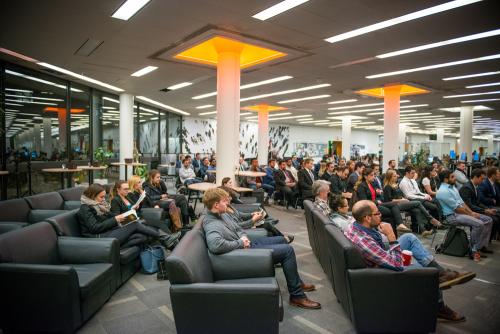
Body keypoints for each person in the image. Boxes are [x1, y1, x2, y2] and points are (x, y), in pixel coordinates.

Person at [344, 200, 475, 322]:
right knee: (429, 272)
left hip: (379, 255)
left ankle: (442, 274)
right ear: (367, 218)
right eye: (377, 213)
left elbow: (378, 247)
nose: (381, 214)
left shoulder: (356, 225)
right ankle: (439, 306)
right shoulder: (363, 241)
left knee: (409, 237)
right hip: (380, 273)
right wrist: (391, 236)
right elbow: (396, 264)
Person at [201, 188, 321, 309]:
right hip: (242, 254)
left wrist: (243, 237)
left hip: (246, 245)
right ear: (216, 205)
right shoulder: (212, 223)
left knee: (281, 240)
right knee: (287, 251)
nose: (227, 203)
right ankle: (297, 296)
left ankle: (297, 284)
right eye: (224, 201)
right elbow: (215, 245)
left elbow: (237, 228)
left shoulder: (222, 214)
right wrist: (240, 243)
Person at [77, 183, 179, 250]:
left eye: (104, 196)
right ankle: (166, 238)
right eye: (101, 197)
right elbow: (94, 228)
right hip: (98, 237)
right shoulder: (85, 208)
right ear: (92, 196)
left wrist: (120, 216)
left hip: (107, 232)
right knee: (134, 225)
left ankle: (168, 241)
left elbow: (109, 216)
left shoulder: (99, 206)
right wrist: (115, 219)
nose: (104, 199)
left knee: (141, 236)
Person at [436, 170, 493, 262]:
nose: (455, 179)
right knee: (479, 224)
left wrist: (472, 213)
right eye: (452, 177)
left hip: (459, 213)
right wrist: (471, 214)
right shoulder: (443, 191)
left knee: (488, 220)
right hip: (451, 217)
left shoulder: (453, 188)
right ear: (446, 180)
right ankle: (473, 250)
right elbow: (457, 209)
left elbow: (462, 203)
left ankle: (480, 246)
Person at [383, 170, 441, 235]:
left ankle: (423, 230)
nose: (396, 177)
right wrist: (402, 200)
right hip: (395, 206)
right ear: (390, 177)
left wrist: (403, 199)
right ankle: (431, 219)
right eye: (394, 176)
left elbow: (399, 196)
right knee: (418, 203)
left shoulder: (395, 185)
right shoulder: (387, 187)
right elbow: (389, 201)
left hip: (401, 203)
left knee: (416, 210)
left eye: (396, 175)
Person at [354, 168, 407, 235]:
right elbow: (364, 201)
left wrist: (378, 198)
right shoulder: (361, 186)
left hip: (377, 204)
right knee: (391, 215)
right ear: (365, 176)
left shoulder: (371, 184)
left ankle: (399, 225)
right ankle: (394, 235)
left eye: (374, 175)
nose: (374, 177)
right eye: (372, 175)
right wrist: (376, 201)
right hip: (370, 207)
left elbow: (375, 196)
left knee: (393, 204)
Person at [459, 168, 499, 244]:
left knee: (495, 216)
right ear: (475, 177)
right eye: (482, 179)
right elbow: (469, 206)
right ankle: (479, 244)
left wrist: (487, 209)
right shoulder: (466, 188)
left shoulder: (474, 186)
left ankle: (484, 243)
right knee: (492, 219)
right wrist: (484, 211)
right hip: (467, 212)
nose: (483, 181)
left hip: (473, 210)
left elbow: (477, 202)